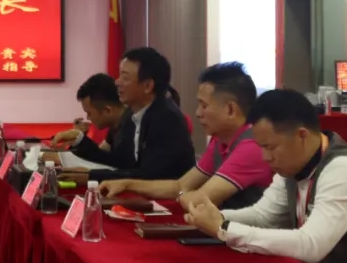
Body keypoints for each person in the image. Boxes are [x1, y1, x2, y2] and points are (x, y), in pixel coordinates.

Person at [186, 89, 347, 263]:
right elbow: (263, 216)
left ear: (302, 135)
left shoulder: (340, 168)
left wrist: (224, 228)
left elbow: (311, 245)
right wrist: (215, 217)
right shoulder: (293, 165)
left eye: (270, 147)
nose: (265, 157)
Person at [100, 62, 271, 210]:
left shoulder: (251, 146)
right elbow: (180, 185)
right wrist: (127, 184)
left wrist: (185, 195)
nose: (198, 113)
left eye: (204, 106)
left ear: (231, 109)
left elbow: (200, 199)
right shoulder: (220, 140)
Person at [52, 47, 194, 183]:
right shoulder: (136, 114)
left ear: (147, 86)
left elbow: (149, 176)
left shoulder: (166, 120)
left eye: (125, 77)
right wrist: (80, 140)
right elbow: (120, 162)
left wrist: (91, 176)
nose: (117, 82)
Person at [51, 73, 126, 149]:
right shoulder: (115, 128)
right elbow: (100, 154)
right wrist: (79, 137)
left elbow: (109, 157)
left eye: (89, 113)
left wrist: (79, 138)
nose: (88, 118)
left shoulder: (130, 131)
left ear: (107, 111)